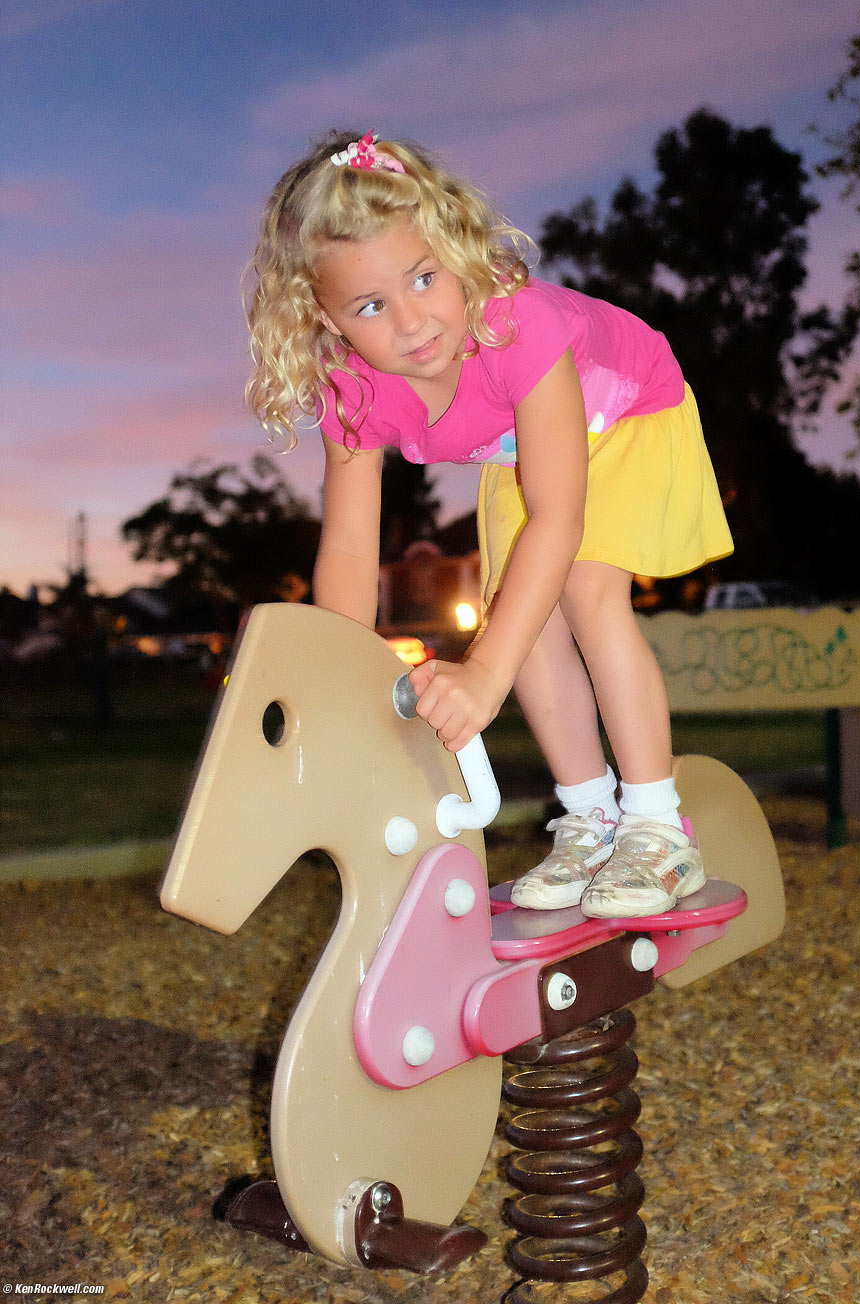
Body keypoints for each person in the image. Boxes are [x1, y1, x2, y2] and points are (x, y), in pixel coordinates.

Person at [245, 129, 733, 919]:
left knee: (580, 589)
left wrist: (482, 674)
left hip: (631, 403)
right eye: (371, 305)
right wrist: (344, 684)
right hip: (523, 449)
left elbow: (560, 516)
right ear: (327, 320)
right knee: (521, 612)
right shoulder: (350, 390)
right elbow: (345, 548)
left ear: (455, 250)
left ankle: (656, 830)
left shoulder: (518, 324)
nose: (412, 322)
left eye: (425, 278)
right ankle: (592, 821)